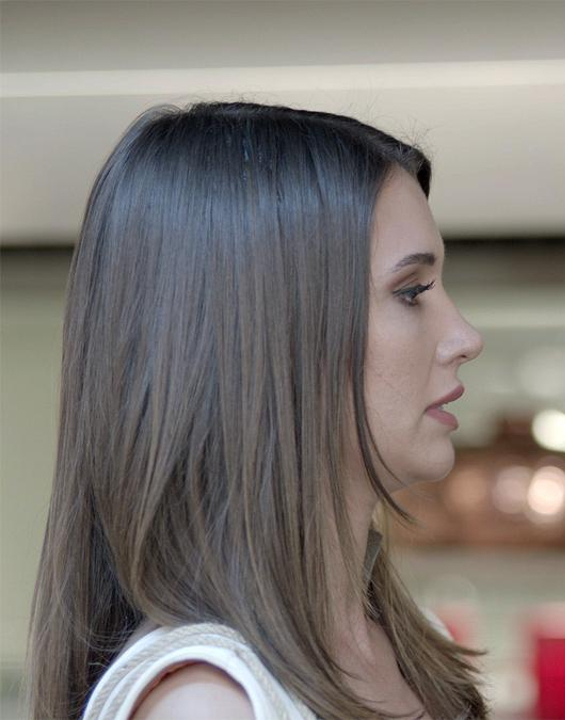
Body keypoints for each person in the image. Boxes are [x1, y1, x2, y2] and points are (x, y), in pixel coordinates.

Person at [28, 102, 487, 719]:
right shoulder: (207, 705)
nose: (464, 337)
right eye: (411, 292)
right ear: (272, 335)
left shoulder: (413, 646)